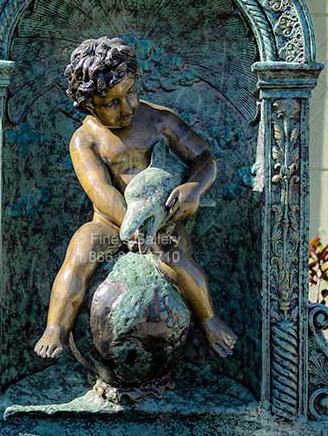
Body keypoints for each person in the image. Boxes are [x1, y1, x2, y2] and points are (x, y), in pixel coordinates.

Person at [34, 37, 237, 360]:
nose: (127, 107)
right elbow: (102, 193)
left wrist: (193, 189)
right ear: (88, 104)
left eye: (130, 93)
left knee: (175, 260)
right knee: (80, 252)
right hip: (111, 222)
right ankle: (56, 328)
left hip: (161, 219)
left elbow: (205, 160)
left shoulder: (160, 120)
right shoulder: (84, 140)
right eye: (112, 103)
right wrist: (132, 227)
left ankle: (209, 320)